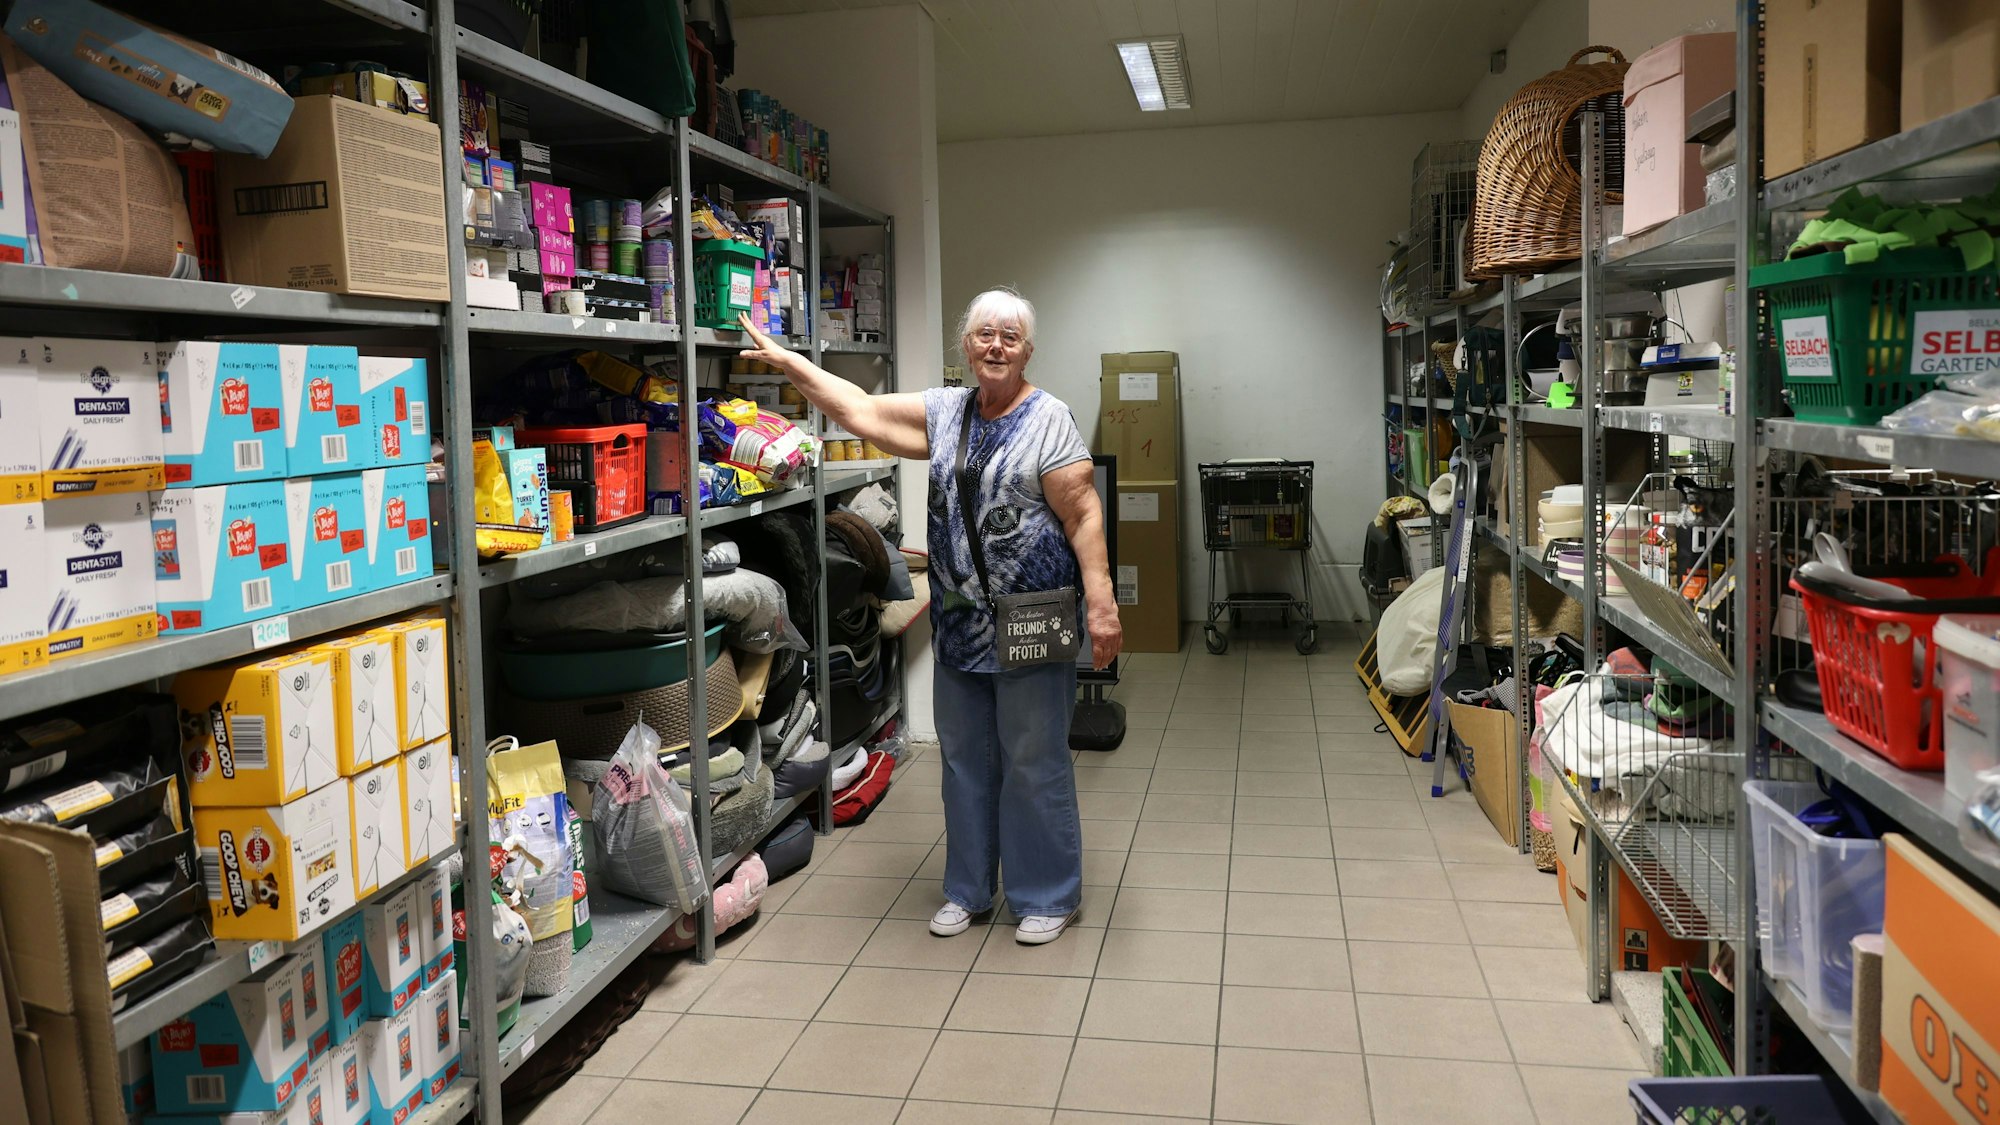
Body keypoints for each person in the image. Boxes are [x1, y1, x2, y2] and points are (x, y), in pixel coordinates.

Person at [735, 289, 1120, 945]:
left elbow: (1083, 512)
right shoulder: (945, 413)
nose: (995, 345)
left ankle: (1047, 894)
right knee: (965, 761)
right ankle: (969, 890)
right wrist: (788, 362)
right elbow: (855, 408)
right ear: (965, 346)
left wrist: (1103, 602)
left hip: (1032, 619)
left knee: (1034, 760)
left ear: (1027, 350)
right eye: (983, 334)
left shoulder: (1049, 418)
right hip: (961, 622)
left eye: (1009, 336)